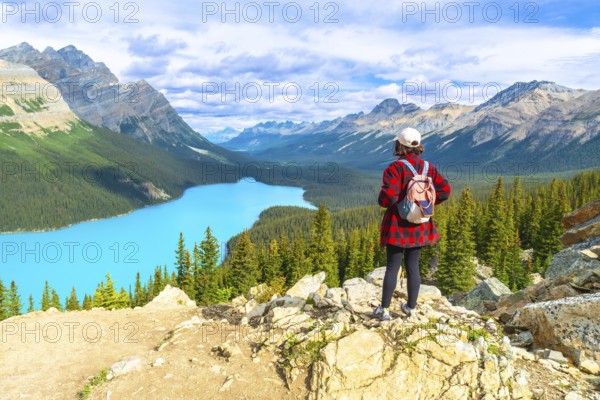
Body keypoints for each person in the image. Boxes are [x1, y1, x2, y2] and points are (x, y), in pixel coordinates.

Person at [373, 127, 451, 321]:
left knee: (393, 267)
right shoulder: (429, 168)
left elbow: (387, 198)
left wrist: (389, 201)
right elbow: (445, 191)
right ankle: (411, 308)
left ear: (399, 145)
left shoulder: (395, 168)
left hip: (398, 225)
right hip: (421, 223)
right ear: (417, 146)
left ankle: (384, 310)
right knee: (413, 266)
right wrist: (426, 204)